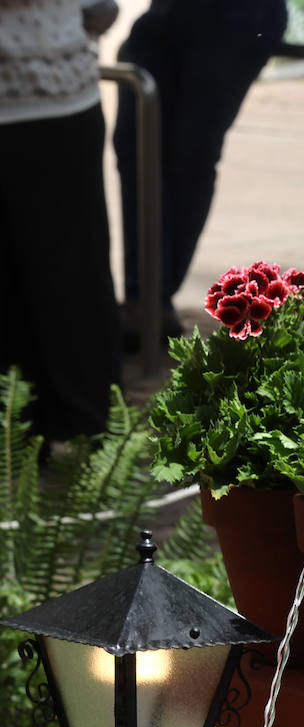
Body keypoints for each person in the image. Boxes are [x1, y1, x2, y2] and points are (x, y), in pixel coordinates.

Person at [113, 0, 288, 347]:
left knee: (189, 154)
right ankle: (145, 299)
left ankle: (149, 300)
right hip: (168, 12)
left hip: (237, 15)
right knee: (136, 143)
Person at [0, 0, 123, 441]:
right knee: (71, 277)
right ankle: (64, 435)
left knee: (70, 280)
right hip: (60, 95)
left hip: (51, 100)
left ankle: (78, 440)